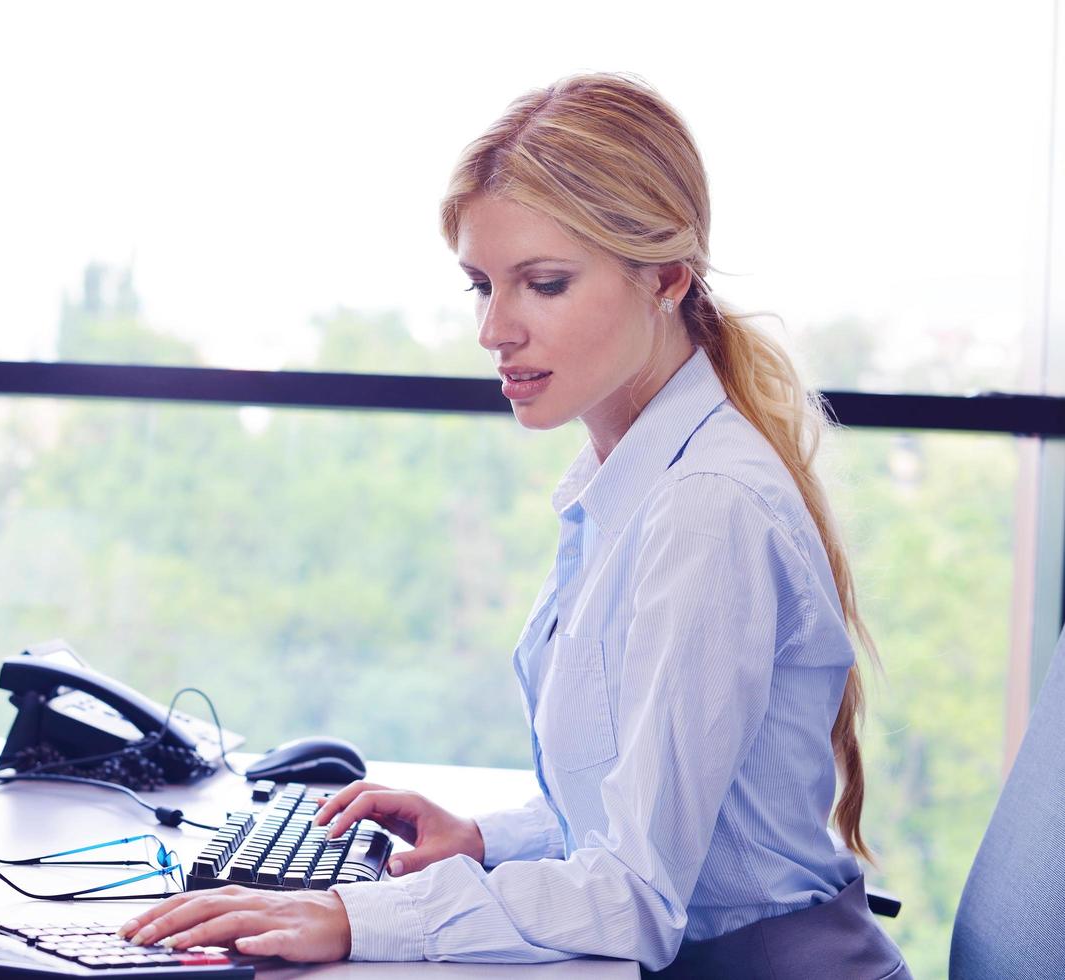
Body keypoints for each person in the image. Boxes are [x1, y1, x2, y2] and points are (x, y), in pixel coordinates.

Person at [119, 72, 912, 979]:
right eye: (480, 286)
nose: (495, 330)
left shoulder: (706, 508)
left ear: (664, 277)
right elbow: (641, 811)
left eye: (542, 284)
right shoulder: (623, 481)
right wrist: (484, 839)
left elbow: (636, 898)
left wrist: (355, 913)